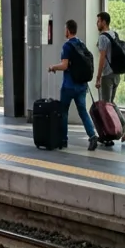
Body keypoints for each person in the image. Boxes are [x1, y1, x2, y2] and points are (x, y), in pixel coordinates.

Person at [47, 19, 99, 150]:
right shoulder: (81, 44)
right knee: (83, 112)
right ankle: (92, 136)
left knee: (63, 112)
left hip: (69, 86)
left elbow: (64, 65)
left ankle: (63, 140)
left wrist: (53, 67)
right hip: (82, 85)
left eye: (65, 29)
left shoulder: (67, 46)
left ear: (68, 30)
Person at [93, 11, 125, 142]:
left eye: (98, 21)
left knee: (105, 106)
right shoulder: (114, 34)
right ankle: (122, 125)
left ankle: (110, 134)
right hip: (116, 75)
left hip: (107, 75)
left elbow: (102, 59)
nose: (97, 23)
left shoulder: (103, 37)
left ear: (103, 22)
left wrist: (98, 77)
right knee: (110, 103)